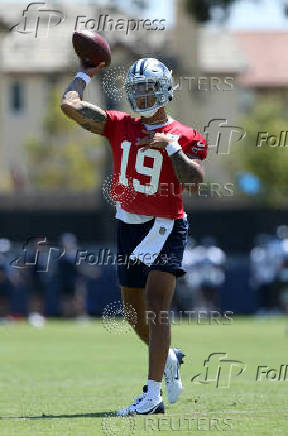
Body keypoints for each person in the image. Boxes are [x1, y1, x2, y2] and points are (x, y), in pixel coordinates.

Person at [61, 57, 208, 415]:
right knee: (134, 314)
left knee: (158, 307)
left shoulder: (186, 134)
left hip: (165, 224)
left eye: (148, 88)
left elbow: (195, 180)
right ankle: (168, 358)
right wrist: (85, 73)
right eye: (136, 89)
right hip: (128, 223)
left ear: (165, 90)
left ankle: (152, 394)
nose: (142, 96)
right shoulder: (119, 125)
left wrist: (171, 148)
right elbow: (70, 105)